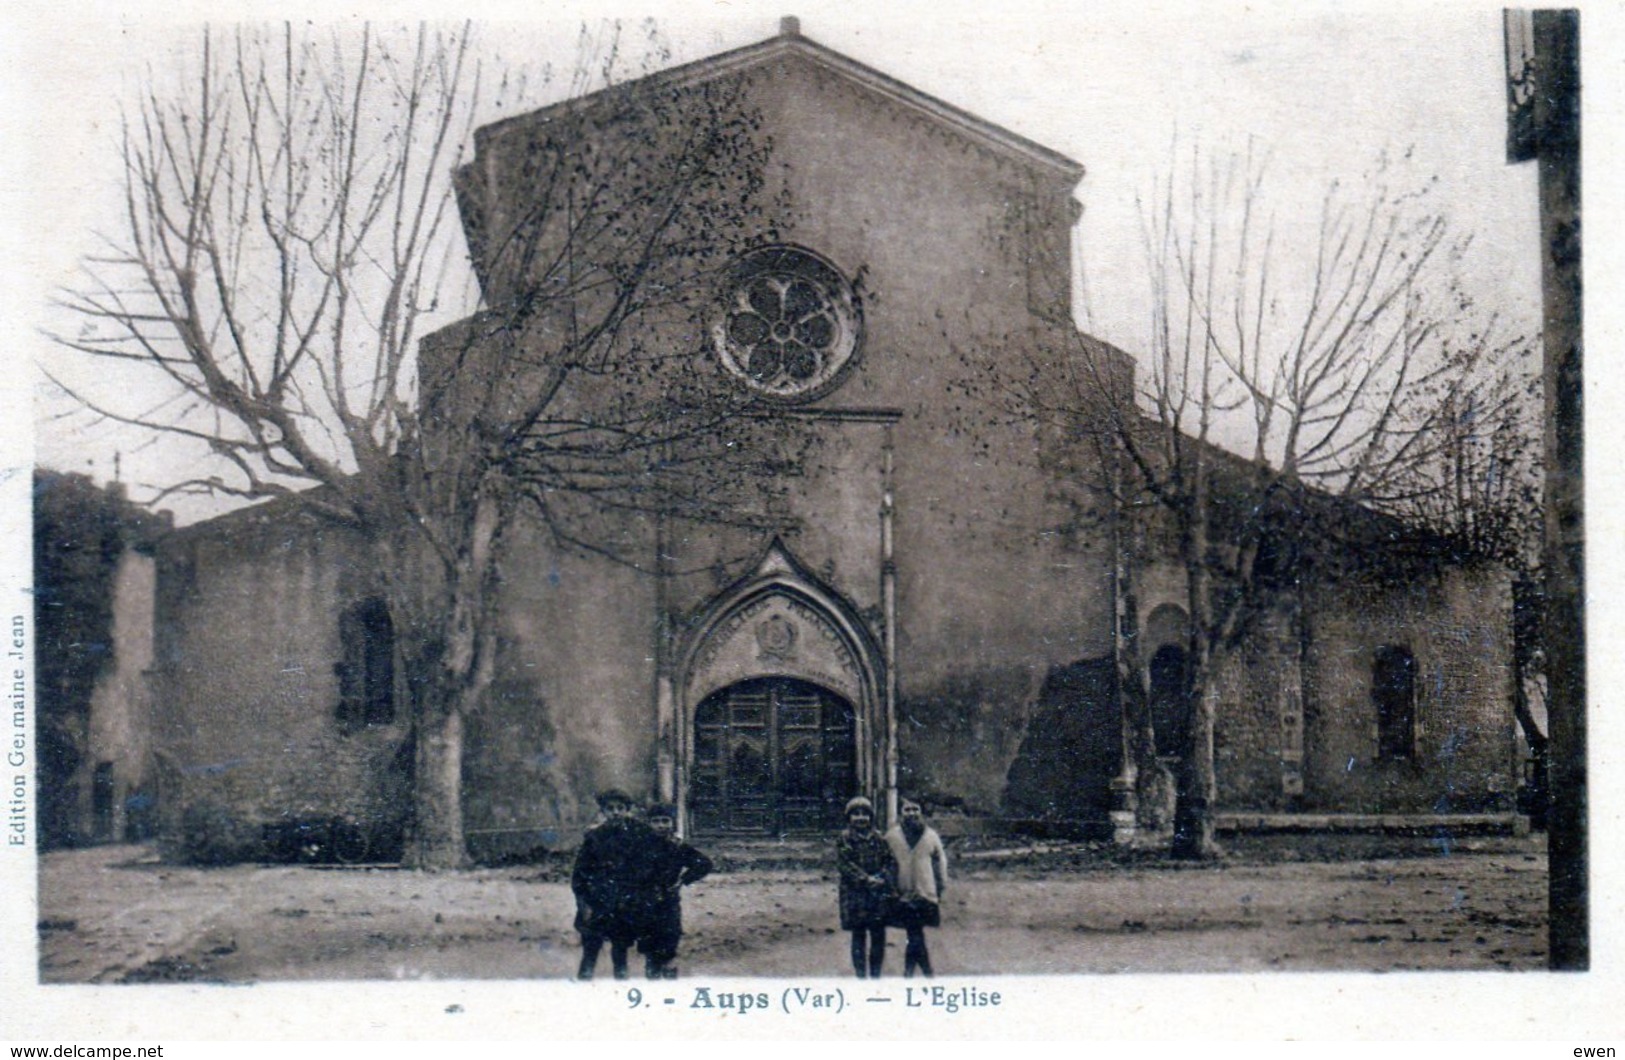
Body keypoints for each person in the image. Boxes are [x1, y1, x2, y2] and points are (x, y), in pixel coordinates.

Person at [571, 788, 654, 980]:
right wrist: (584, 903)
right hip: (598, 900)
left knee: (620, 948)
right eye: (610, 809)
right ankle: (583, 984)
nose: (616, 812)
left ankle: (621, 985)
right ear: (603, 812)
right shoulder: (594, 838)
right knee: (591, 948)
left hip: (625, 902)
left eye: (620, 808)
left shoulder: (638, 833)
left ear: (628, 810)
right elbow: (580, 875)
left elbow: (648, 863)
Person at [636, 803, 713, 980]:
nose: (661, 825)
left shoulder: (677, 846)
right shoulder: (639, 846)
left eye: (666, 821)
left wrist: (683, 880)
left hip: (668, 902)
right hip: (645, 903)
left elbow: (704, 863)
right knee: (649, 946)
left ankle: (670, 981)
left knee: (670, 941)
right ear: (648, 824)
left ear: (672, 823)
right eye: (656, 821)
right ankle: (652, 980)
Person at [884, 797, 948, 978]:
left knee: (915, 932)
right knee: (915, 932)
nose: (912, 813)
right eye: (907, 810)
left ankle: (911, 971)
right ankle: (924, 972)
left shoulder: (931, 836)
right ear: (900, 814)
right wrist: (890, 888)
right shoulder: (892, 836)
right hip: (902, 892)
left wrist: (941, 885)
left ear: (921, 813)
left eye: (915, 809)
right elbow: (886, 864)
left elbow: (940, 862)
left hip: (925, 891)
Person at [836, 795, 894, 978]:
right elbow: (845, 864)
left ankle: (875, 974)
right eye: (856, 814)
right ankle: (861, 975)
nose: (861, 818)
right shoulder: (845, 839)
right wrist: (865, 879)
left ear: (871, 817)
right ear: (849, 818)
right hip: (855, 894)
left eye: (865, 814)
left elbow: (889, 860)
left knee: (878, 936)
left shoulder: (878, 838)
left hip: (877, 894)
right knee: (858, 935)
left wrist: (882, 877)